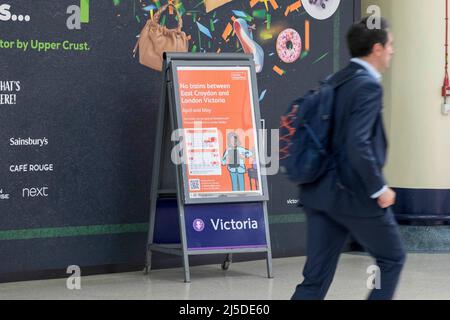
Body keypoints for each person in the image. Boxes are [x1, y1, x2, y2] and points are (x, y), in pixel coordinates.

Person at [291, 17, 406, 300]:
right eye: (390, 44)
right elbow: (358, 144)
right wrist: (379, 188)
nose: (393, 50)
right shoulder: (368, 86)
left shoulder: (336, 80)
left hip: (319, 193)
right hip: (353, 196)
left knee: (314, 280)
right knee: (392, 258)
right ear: (377, 48)